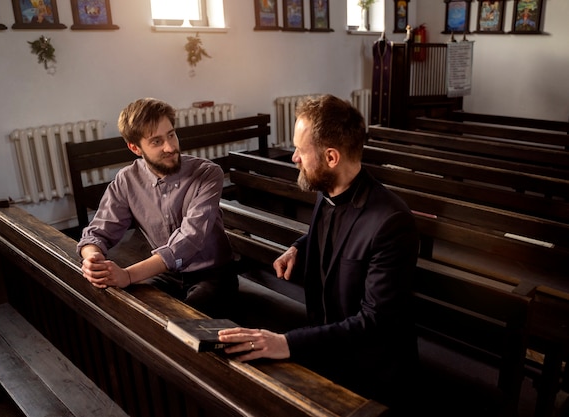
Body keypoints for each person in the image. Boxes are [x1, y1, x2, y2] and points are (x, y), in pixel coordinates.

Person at [218, 94, 419, 411]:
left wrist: (287, 342)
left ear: (331, 157)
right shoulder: (331, 190)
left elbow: (374, 322)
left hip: (368, 371)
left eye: (300, 150)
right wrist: (300, 247)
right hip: (328, 344)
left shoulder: (391, 222)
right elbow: (331, 232)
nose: (294, 157)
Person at [77, 98, 238, 317]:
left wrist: (128, 275)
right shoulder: (127, 179)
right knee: (129, 312)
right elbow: (97, 233)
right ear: (135, 148)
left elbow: (188, 241)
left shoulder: (208, 173)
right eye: (156, 141)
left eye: (171, 134)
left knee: (183, 323)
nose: (170, 147)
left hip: (213, 275)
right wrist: (93, 260)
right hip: (167, 274)